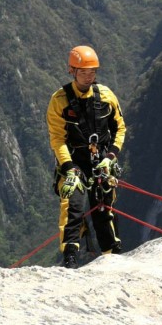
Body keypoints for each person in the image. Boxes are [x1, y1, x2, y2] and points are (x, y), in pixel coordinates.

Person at [46, 45, 126, 269]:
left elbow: (120, 129)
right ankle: (70, 256)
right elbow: (58, 139)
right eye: (84, 72)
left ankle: (113, 253)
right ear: (72, 71)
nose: (89, 77)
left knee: (104, 207)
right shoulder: (59, 101)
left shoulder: (106, 97)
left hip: (101, 161)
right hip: (74, 163)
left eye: (92, 72)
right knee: (74, 204)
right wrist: (70, 168)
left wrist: (110, 157)